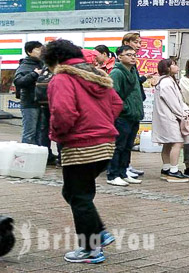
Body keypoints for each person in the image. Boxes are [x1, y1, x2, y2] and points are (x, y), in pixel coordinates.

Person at [44, 40, 122, 264]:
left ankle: (91, 248)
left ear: (54, 60)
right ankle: (98, 232)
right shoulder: (96, 76)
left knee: (78, 196)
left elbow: (63, 112)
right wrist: (102, 124)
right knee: (75, 193)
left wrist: (58, 135)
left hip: (80, 146)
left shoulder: (62, 78)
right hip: (105, 143)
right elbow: (117, 104)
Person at [106, 45, 144, 187]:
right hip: (123, 116)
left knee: (128, 146)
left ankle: (123, 172)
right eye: (128, 54)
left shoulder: (133, 71)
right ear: (119, 57)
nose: (133, 57)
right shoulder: (117, 73)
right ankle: (113, 174)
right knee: (118, 146)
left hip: (134, 116)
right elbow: (112, 96)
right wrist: (125, 109)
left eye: (134, 54)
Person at [151, 59, 189, 183]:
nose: (176, 66)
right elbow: (173, 102)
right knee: (177, 142)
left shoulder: (165, 81)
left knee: (168, 143)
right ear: (167, 68)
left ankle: (166, 168)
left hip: (166, 116)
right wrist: (183, 114)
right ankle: (173, 171)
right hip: (169, 117)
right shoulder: (167, 82)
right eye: (173, 64)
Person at [14, 41, 44, 145]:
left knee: (40, 132)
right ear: (29, 52)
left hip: (41, 103)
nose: (41, 51)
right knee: (30, 132)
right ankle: (26, 156)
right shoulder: (25, 65)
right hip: (30, 103)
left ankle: (39, 156)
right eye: (38, 49)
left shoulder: (42, 64)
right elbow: (18, 81)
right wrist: (34, 74)